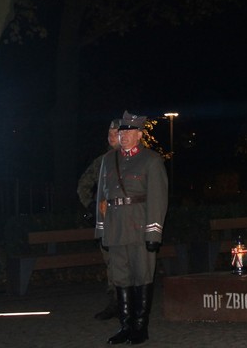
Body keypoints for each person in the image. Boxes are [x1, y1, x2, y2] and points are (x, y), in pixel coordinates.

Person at [95, 111, 168, 345]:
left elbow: (158, 199)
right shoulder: (109, 160)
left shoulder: (151, 160)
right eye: (121, 132)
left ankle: (140, 327)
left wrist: (153, 232)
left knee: (142, 277)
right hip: (115, 227)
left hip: (139, 226)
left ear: (139, 134)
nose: (123, 136)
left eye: (128, 132)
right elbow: (102, 198)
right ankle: (125, 326)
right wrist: (101, 229)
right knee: (121, 278)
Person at [77, 118, 120, 320]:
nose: (111, 138)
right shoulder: (102, 161)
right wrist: (91, 206)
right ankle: (115, 301)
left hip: (129, 220)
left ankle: (132, 301)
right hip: (107, 219)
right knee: (110, 261)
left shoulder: (138, 160)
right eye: (109, 134)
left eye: (115, 133)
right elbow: (83, 184)